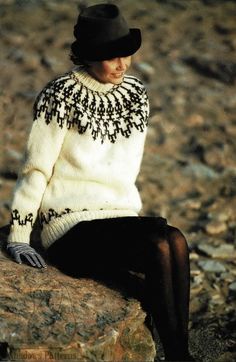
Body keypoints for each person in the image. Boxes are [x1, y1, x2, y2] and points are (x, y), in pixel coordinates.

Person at [6, 3, 194, 361]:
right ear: (89, 56)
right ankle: (179, 356)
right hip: (70, 227)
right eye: (111, 57)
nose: (122, 64)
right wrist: (19, 234)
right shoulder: (60, 95)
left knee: (174, 239)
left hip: (118, 219)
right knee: (158, 245)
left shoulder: (136, 94)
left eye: (126, 54)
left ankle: (179, 353)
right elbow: (36, 168)